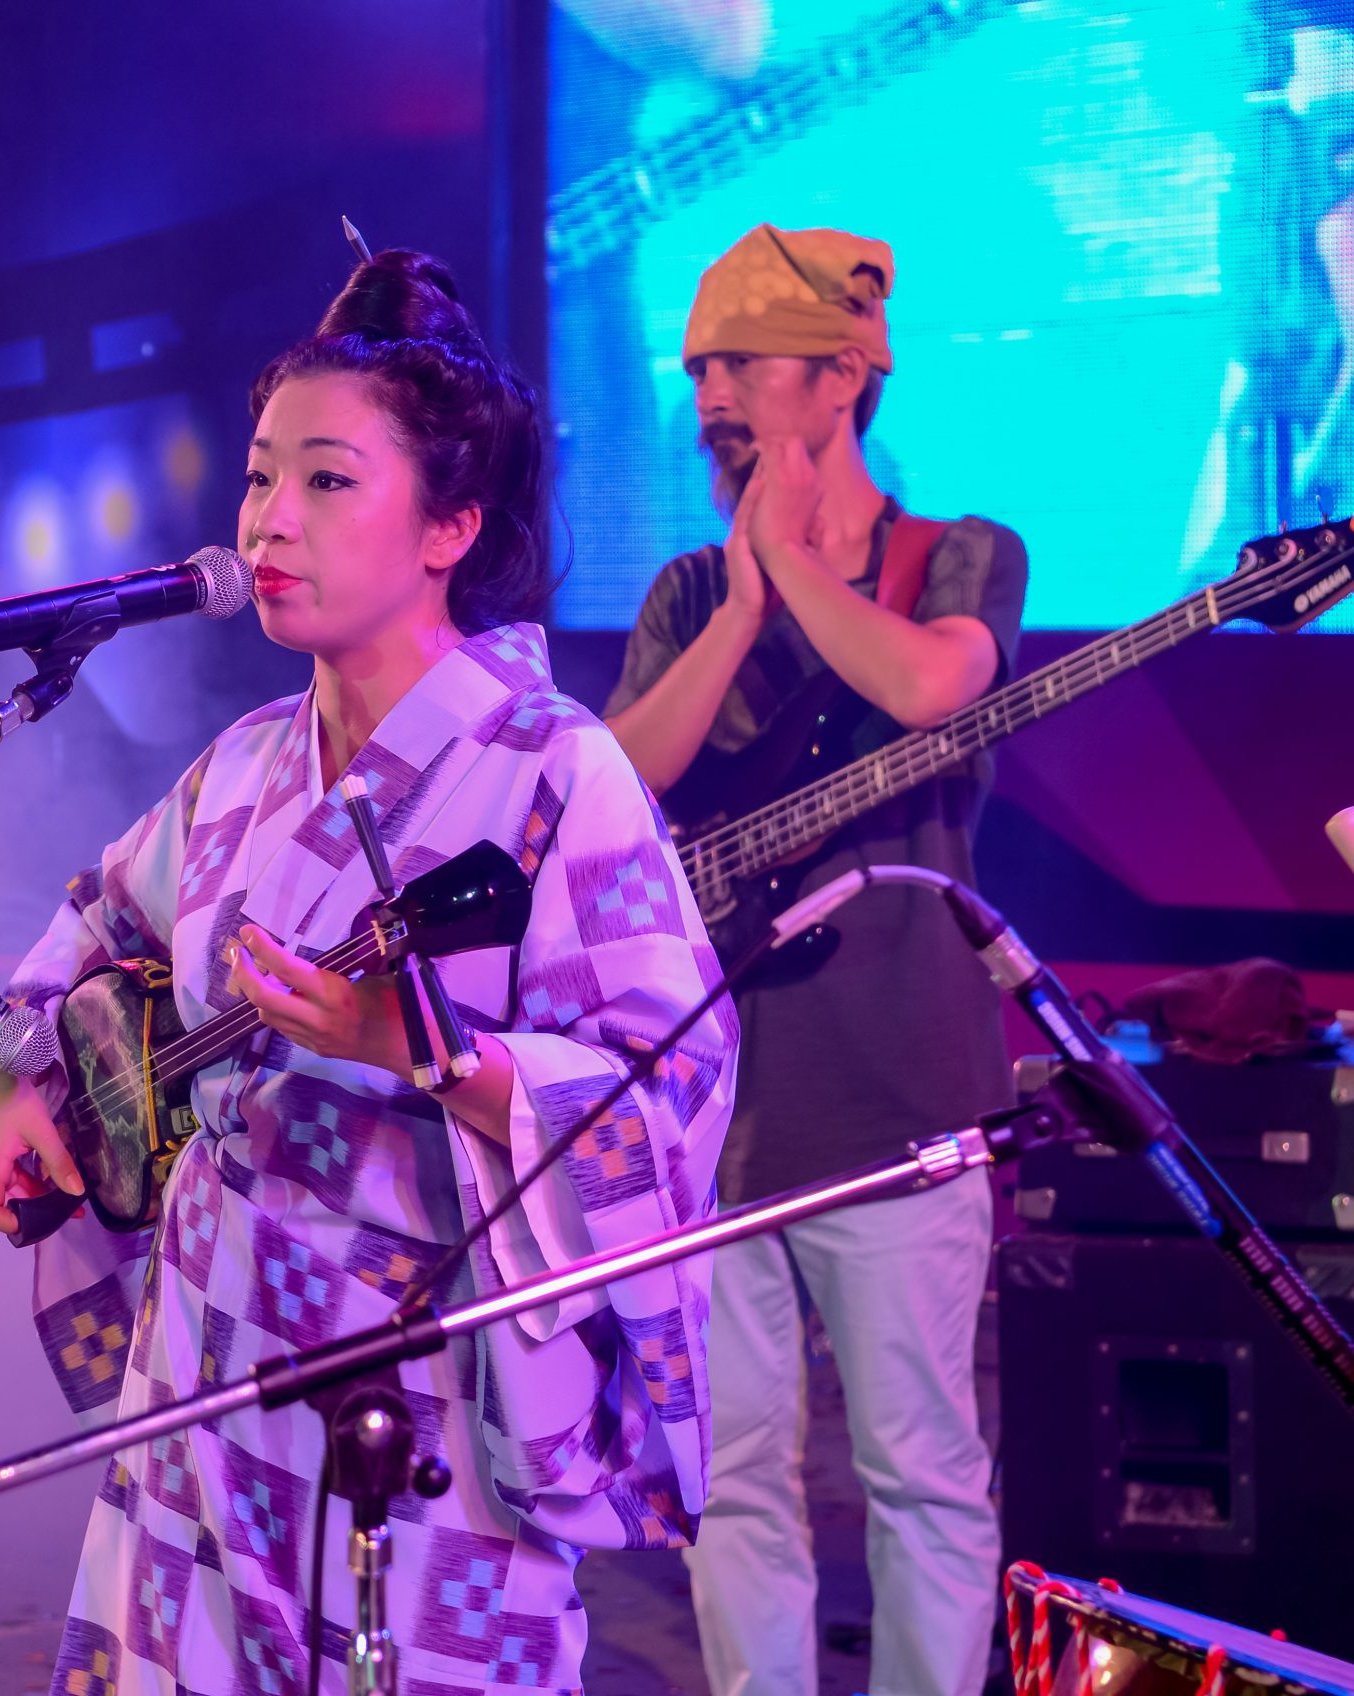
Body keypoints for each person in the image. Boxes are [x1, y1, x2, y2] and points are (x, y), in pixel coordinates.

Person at [0, 251, 736, 1694]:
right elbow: (88, 930)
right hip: (202, 1377)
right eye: (261, 478)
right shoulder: (242, 766)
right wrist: (9, 1077)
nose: (269, 519)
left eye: (327, 481)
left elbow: (671, 1076)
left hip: (420, 1400)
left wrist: (416, 1048)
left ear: (452, 521)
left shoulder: (559, 770)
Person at [604, 225, 1027, 1696]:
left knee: (920, 1470)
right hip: (714, 1102)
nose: (708, 394)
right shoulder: (686, 592)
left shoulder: (956, 555)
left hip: (903, 1090)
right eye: (697, 370)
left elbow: (927, 684)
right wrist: (741, 606)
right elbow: (620, 782)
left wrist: (789, 559)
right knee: (731, 1480)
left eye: (739, 363)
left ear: (842, 378)